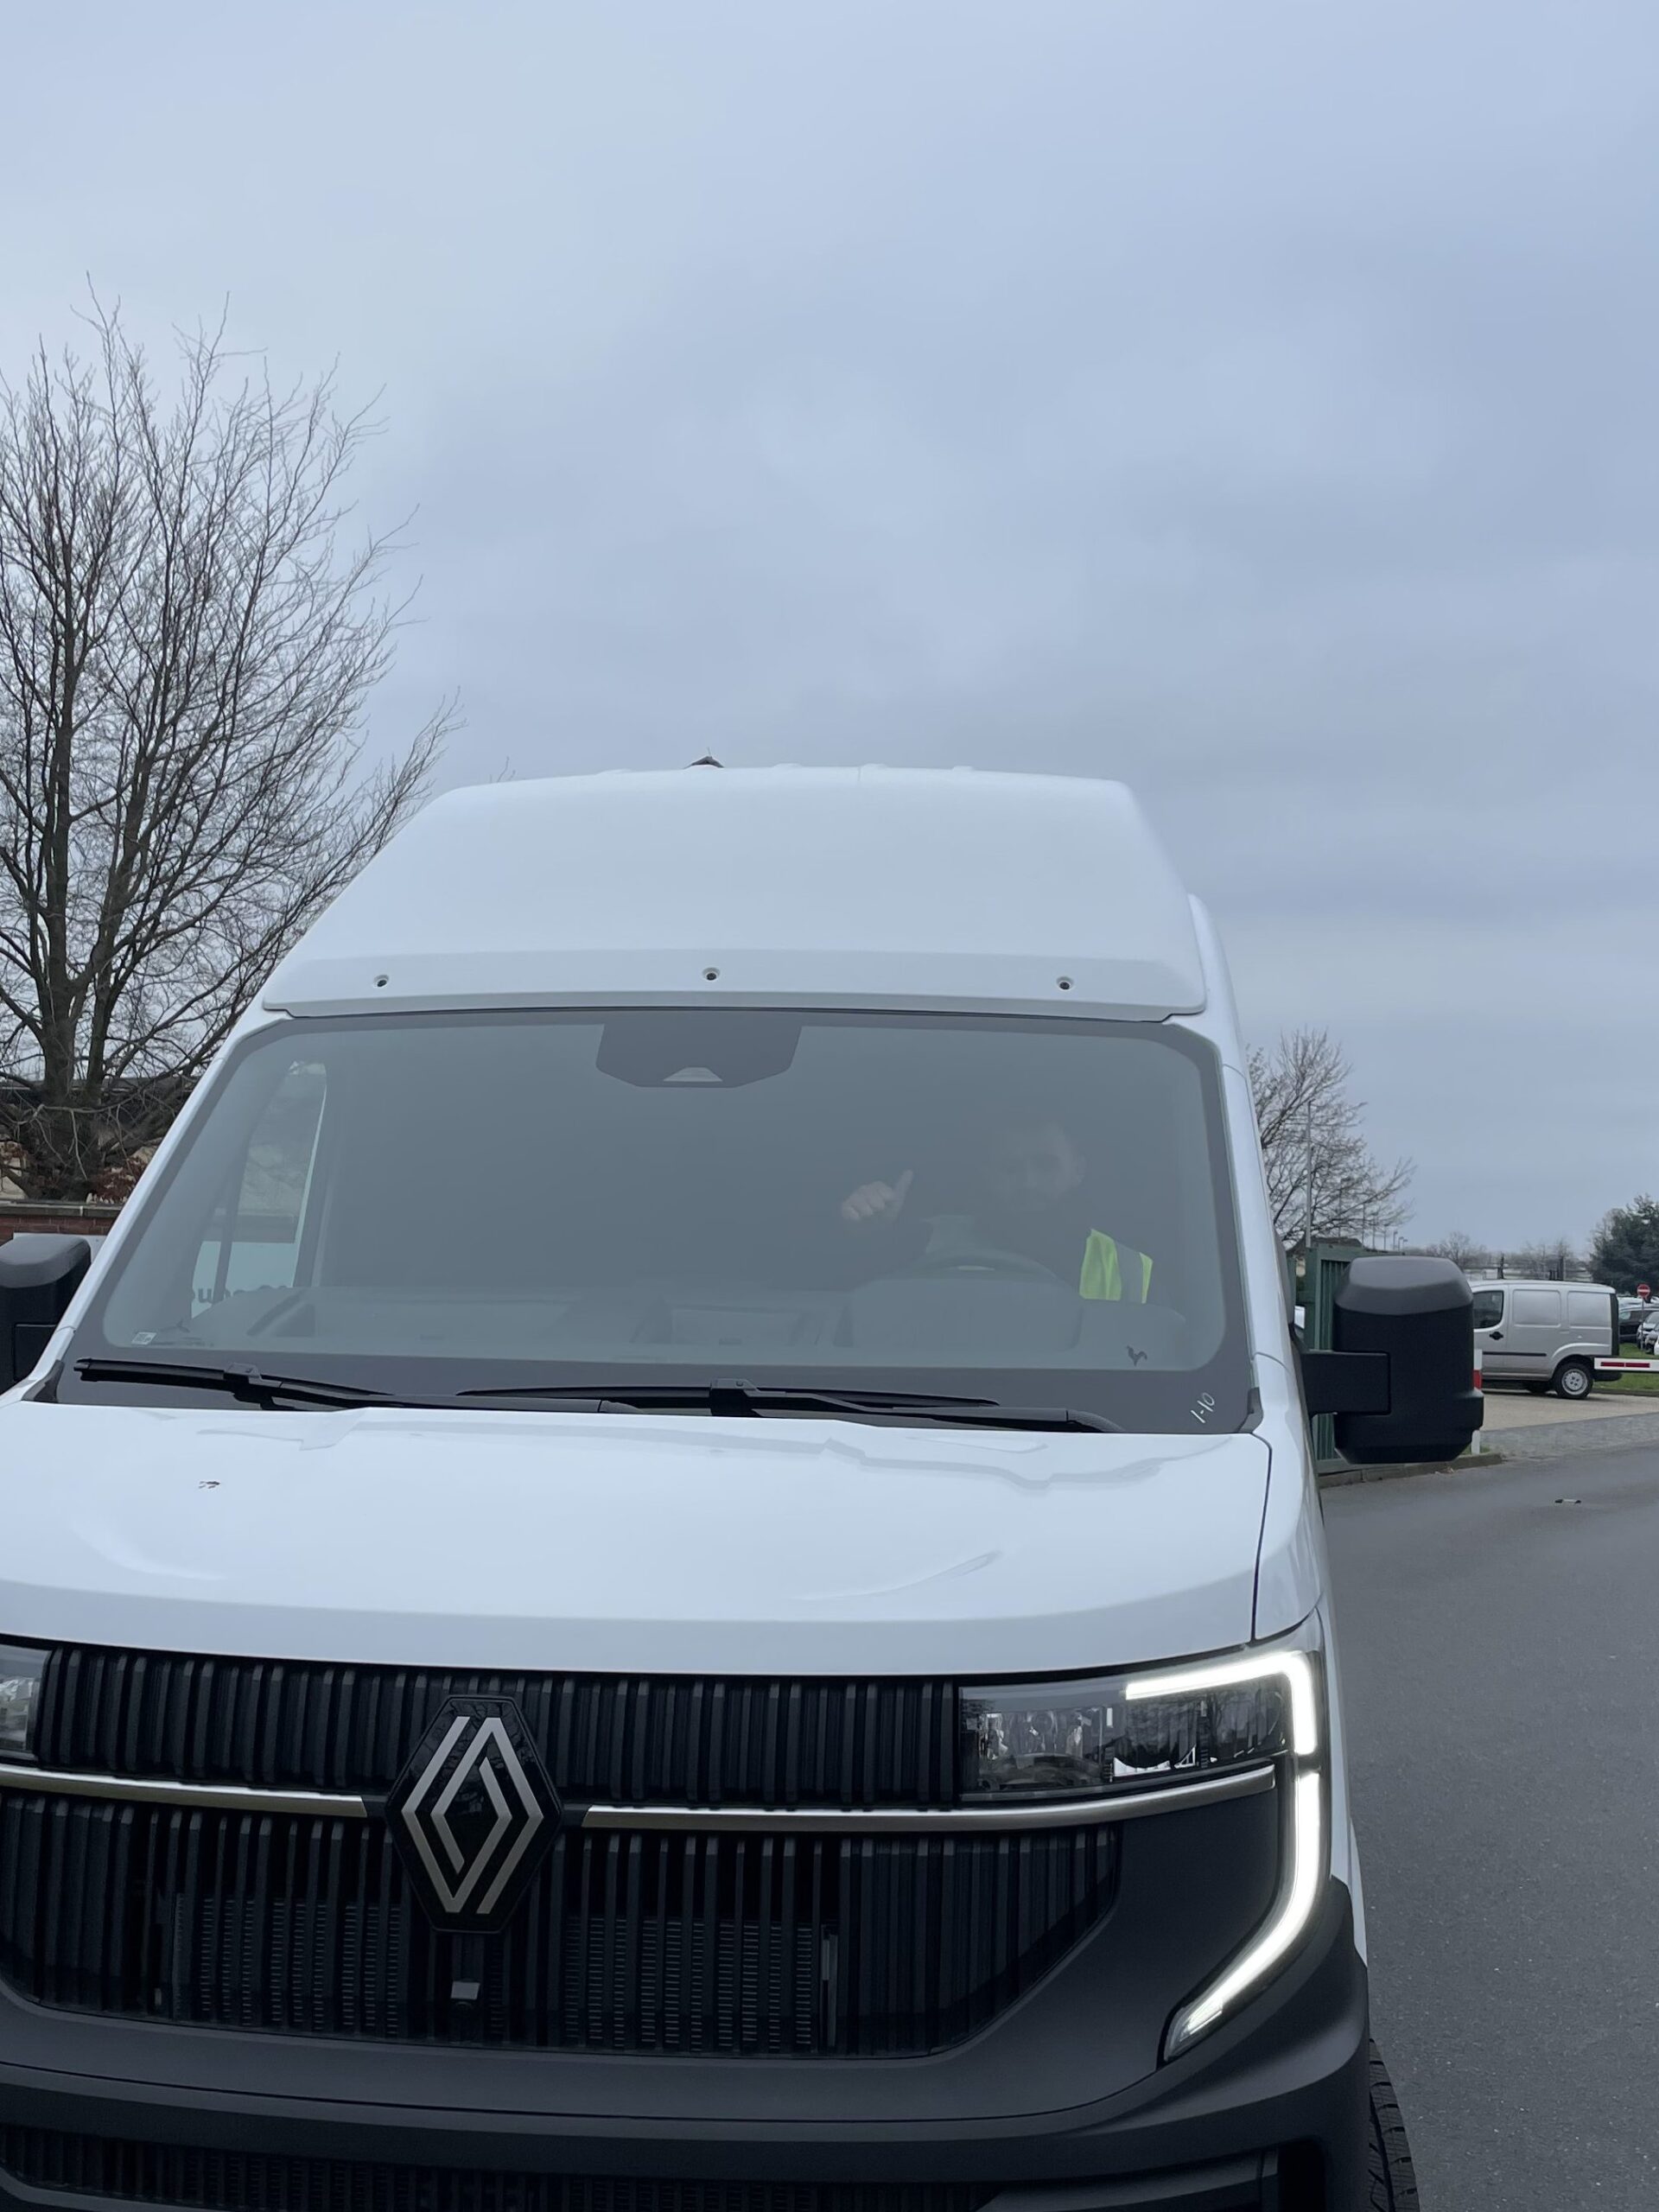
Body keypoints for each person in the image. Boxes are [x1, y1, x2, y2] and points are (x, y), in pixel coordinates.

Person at [838, 1113, 1155, 1301]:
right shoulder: (924, 1241)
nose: (1028, 1182)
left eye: (1046, 1165)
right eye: (1010, 1168)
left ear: (1078, 1171)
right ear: (986, 1175)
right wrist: (871, 1238)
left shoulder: (1134, 1271)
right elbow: (851, 1311)